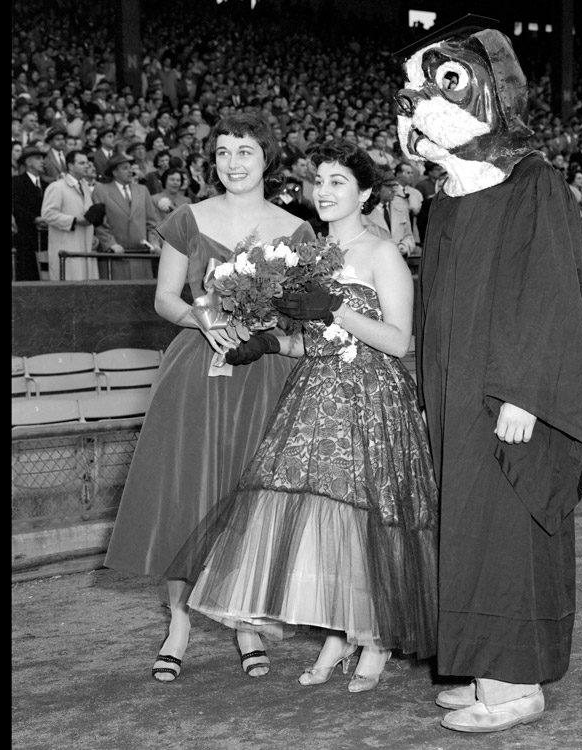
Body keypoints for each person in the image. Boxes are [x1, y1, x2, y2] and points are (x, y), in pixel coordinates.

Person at [171, 140, 439, 693]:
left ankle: (375, 638)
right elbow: (311, 344)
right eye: (319, 181)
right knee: (324, 523)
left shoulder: (382, 253)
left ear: (365, 193)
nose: (325, 191)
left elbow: (398, 340)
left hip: (372, 401)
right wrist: (270, 345)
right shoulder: (309, 256)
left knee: (366, 519)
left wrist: (334, 306)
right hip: (316, 394)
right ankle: (339, 634)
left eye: (338, 182)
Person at [395, 22, 582, 733]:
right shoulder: (450, 196)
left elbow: (549, 289)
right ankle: (485, 661)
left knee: (506, 530)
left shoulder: (532, 182)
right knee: (467, 528)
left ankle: (514, 683)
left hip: (506, 395)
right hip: (456, 395)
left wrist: (525, 393)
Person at [104, 113, 314, 683]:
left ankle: (246, 620)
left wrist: (268, 329)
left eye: (244, 151)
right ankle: (178, 621)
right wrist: (206, 321)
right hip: (198, 370)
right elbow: (165, 299)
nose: (232, 162)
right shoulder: (186, 219)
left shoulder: (297, 231)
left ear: (267, 158)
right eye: (222, 151)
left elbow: (304, 312)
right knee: (187, 493)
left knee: (250, 494)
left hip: (265, 374)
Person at [91, 152, 162, 280]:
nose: (130, 171)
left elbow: (152, 223)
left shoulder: (142, 190)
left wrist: (154, 243)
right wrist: (111, 244)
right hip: (116, 257)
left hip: (142, 257)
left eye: (130, 167)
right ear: (114, 172)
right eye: (125, 168)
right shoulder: (101, 191)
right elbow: (99, 224)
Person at [40, 149, 98, 280]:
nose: (87, 166)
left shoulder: (86, 188)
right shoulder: (57, 187)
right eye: (82, 163)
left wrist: (92, 235)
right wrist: (75, 220)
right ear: (71, 166)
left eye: (87, 163)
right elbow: (47, 214)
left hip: (85, 247)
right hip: (66, 248)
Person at [10, 145, 50, 281]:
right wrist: (34, 219)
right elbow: (15, 206)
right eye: (38, 158)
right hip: (24, 238)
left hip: (45, 239)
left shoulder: (47, 186)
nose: (42, 161)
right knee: (28, 275)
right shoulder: (16, 182)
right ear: (28, 162)